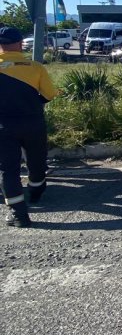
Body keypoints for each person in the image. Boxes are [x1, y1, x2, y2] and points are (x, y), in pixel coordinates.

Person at [0, 27, 58, 227]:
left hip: (3, 126)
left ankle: (18, 214)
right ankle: (36, 190)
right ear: (20, 44)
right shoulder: (35, 67)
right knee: (36, 160)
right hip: (33, 122)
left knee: (8, 170)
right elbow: (50, 94)